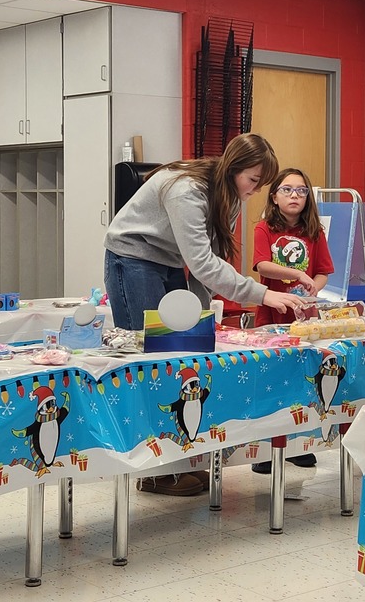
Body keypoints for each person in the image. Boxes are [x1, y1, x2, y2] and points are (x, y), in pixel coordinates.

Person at [103, 133, 305, 496]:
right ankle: (151, 470)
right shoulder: (188, 191)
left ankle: (176, 463)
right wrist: (264, 294)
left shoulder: (228, 195)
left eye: (261, 183)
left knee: (181, 356)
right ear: (234, 168)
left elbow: (203, 269)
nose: (256, 190)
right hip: (132, 257)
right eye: (254, 180)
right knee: (151, 361)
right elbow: (202, 263)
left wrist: (201, 320)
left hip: (165, 261)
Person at [250, 168, 334, 473]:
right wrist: (298, 273)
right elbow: (262, 265)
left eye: (301, 190)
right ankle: (263, 449)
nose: (294, 196)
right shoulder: (264, 228)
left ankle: (298, 444)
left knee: (302, 377)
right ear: (274, 196)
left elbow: (323, 272)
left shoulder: (314, 232)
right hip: (270, 316)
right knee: (270, 378)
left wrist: (312, 287)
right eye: (287, 190)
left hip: (303, 318)